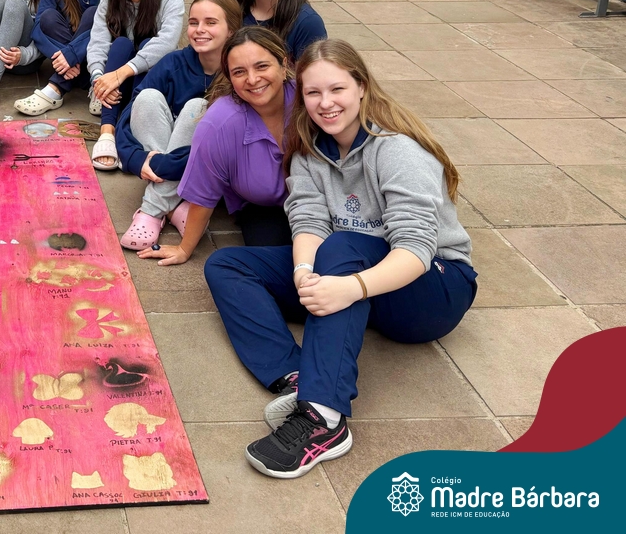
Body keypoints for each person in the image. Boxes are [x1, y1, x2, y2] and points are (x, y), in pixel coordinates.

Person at [204, 40, 477, 479]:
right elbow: (308, 221)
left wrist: (350, 288)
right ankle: (298, 377)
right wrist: (303, 273)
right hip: (356, 276)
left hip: (434, 290)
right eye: (313, 92)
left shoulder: (396, 150)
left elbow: (416, 249)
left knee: (343, 246)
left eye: (337, 89)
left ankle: (324, 420)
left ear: (362, 87)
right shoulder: (310, 150)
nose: (325, 103)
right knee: (228, 265)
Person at [140, 26, 297, 261]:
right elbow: (204, 192)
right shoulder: (219, 122)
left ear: (283, 66)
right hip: (262, 207)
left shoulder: (309, 99)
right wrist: (184, 249)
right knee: (276, 262)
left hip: (323, 198)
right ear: (229, 77)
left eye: (262, 66)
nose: (252, 79)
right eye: (239, 71)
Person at [116, 0, 242, 250]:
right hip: (165, 159)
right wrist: (136, 158)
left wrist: (163, 164)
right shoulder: (173, 62)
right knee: (147, 97)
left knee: (199, 108)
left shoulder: (239, 73)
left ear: (231, 30)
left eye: (210, 22)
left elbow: (226, 149)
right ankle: (177, 206)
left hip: (211, 170)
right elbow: (128, 116)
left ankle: (152, 210)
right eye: (194, 22)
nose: (199, 29)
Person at [86, 0, 184, 170]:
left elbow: (167, 43)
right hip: (116, 82)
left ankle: (128, 128)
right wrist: (99, 79)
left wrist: (121, 73)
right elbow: (97, 42)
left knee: (150, 43)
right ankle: (107, 131)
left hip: (150, 82)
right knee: (120, 44)